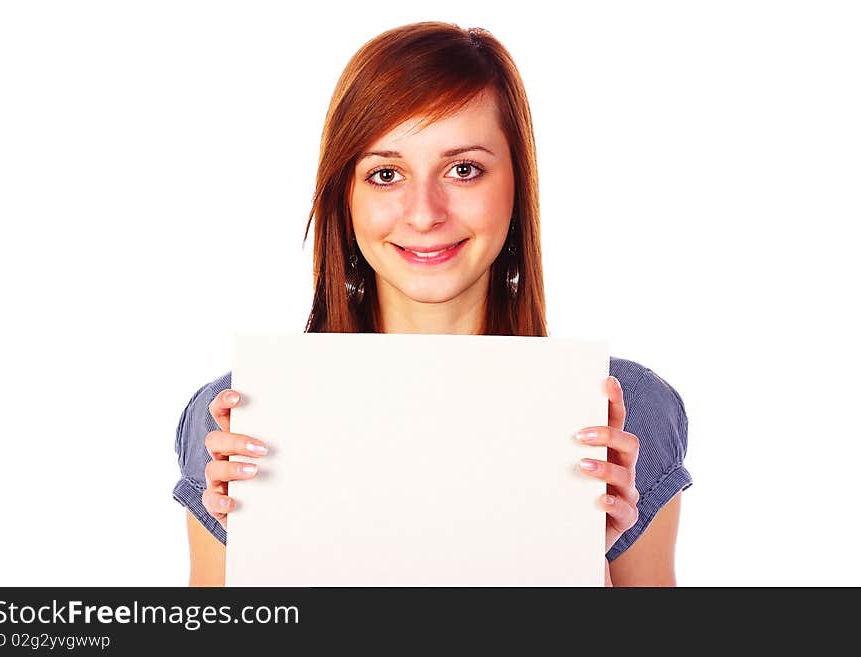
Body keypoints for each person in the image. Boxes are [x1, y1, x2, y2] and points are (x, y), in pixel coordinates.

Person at [172, 21, 691, 587]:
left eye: (463, 169)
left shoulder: (623, 412)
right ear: (345, 195)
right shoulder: (238, 415)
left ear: (517, 185)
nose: (423, 213)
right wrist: (255, 558)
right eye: (386, 174)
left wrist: (586, 562)